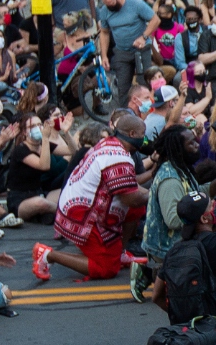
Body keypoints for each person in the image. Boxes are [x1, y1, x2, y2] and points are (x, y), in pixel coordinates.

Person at [37, 115, 145, 283]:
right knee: (106, 268)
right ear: (132, 134)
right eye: (142, 134)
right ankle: (48, 255)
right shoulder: (117, 156)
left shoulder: (111, 144)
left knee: (137, 208)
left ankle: (120, 254)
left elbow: (129, 186)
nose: (144, 138)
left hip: (85, 204)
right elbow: (131, 198)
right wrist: (155, 193)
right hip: (81, 213)